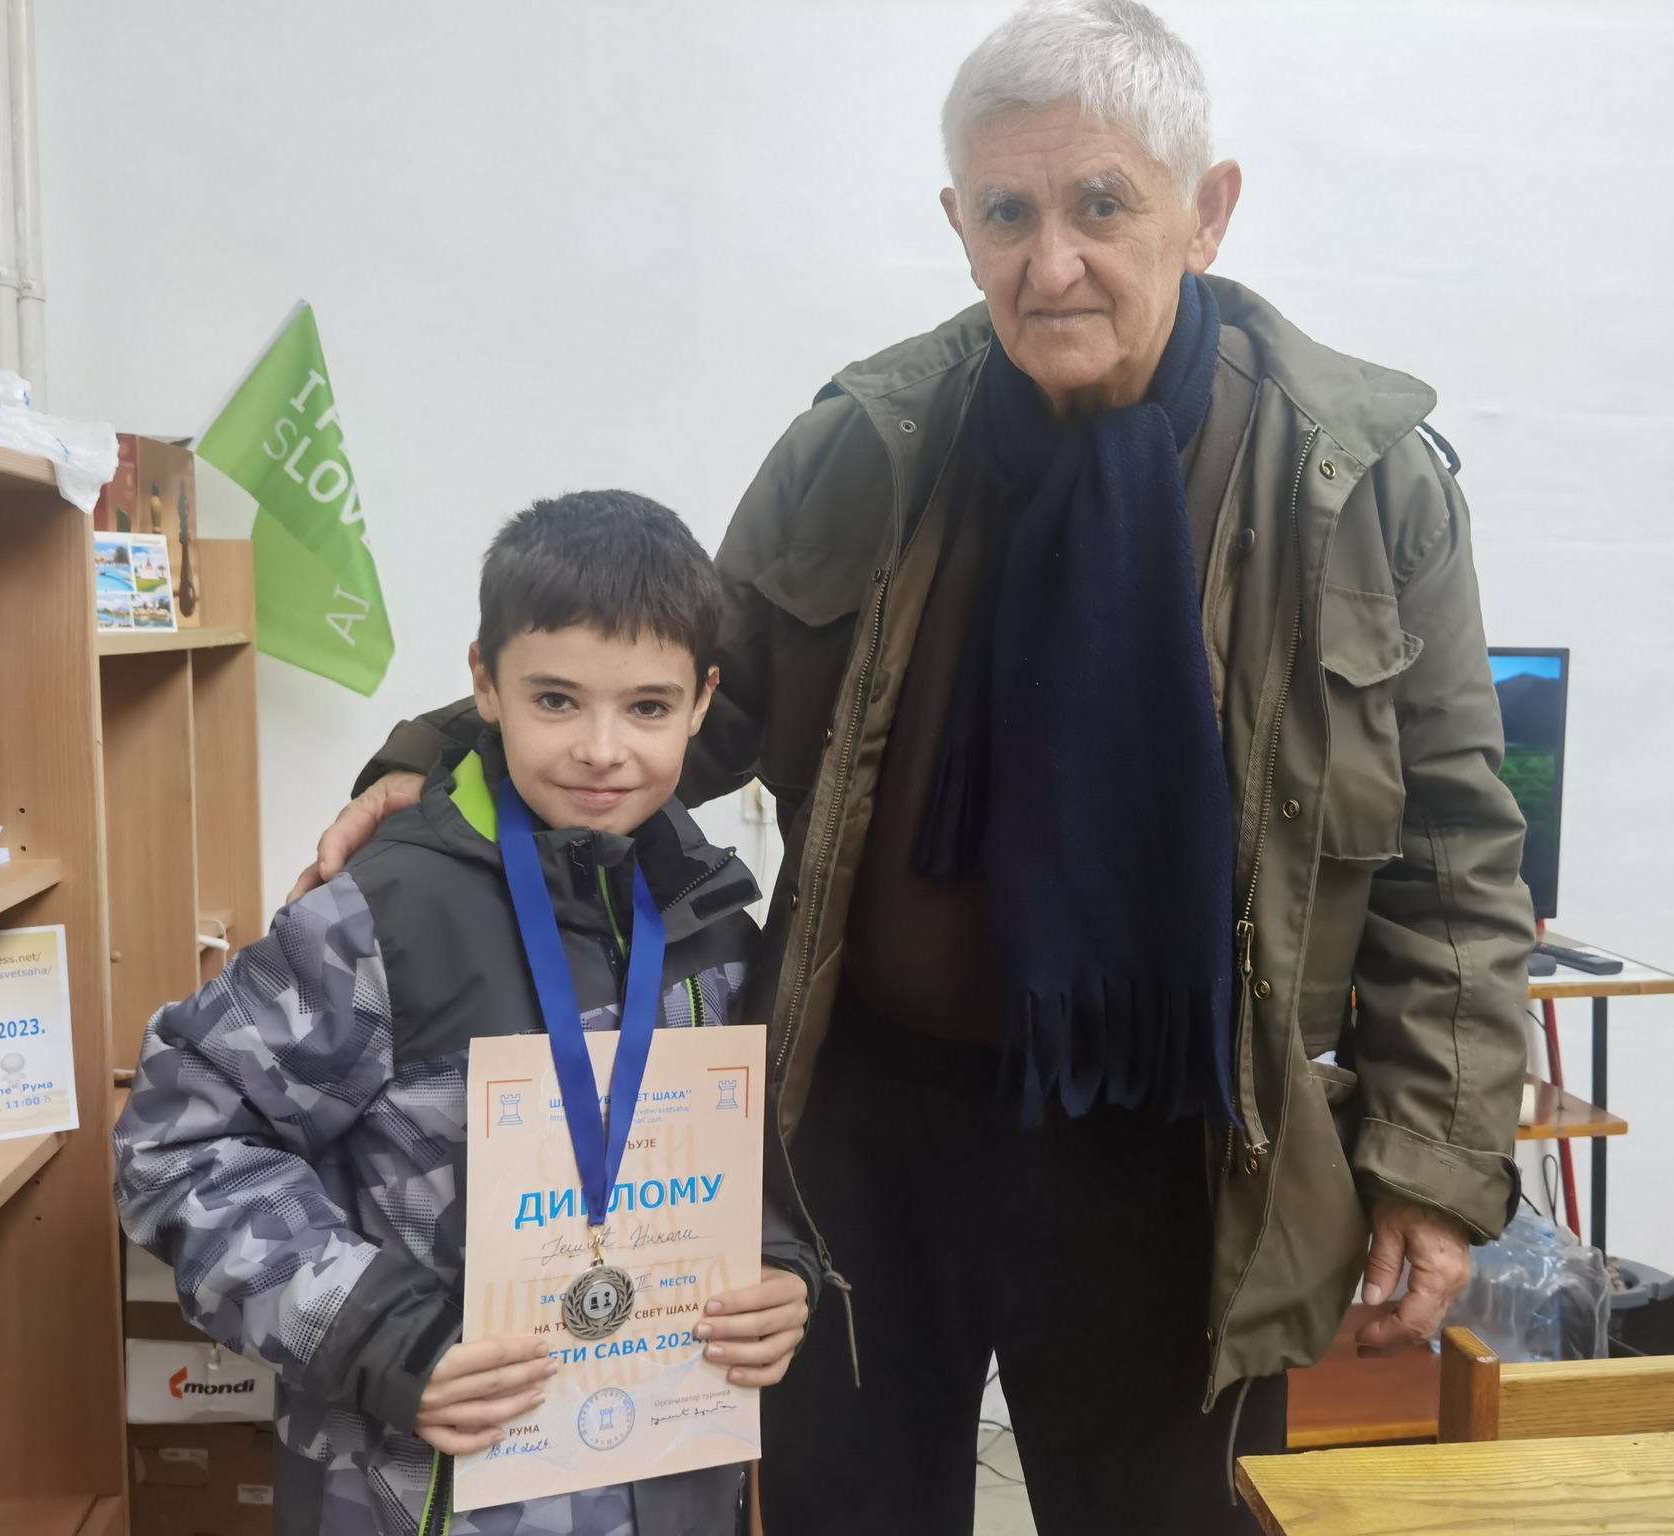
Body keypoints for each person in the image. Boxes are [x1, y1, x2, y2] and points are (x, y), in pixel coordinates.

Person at [301, 2, 1534, 1529]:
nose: (1050, 263)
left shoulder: (1361, 484)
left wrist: (1429, 1162)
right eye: (1007, 214)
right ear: (959, 225)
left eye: (1101, 205)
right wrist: (446, 760)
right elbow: (692, 692)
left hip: (1182, 1151)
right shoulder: (870, 443)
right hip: (865, 1134)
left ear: (1207, 210)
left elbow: (1453, 855)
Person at [114, 491, 818, 1536]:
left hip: (667, 1480)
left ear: (702, 702)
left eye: (648, 708)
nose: (602, 749)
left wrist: (781, 1269)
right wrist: (387, 1340)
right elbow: (174, 1147)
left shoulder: (714, 918)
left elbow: (757, 1163)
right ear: (484, 682)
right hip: (421, 1495)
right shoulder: (382, 917)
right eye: (556, 700)